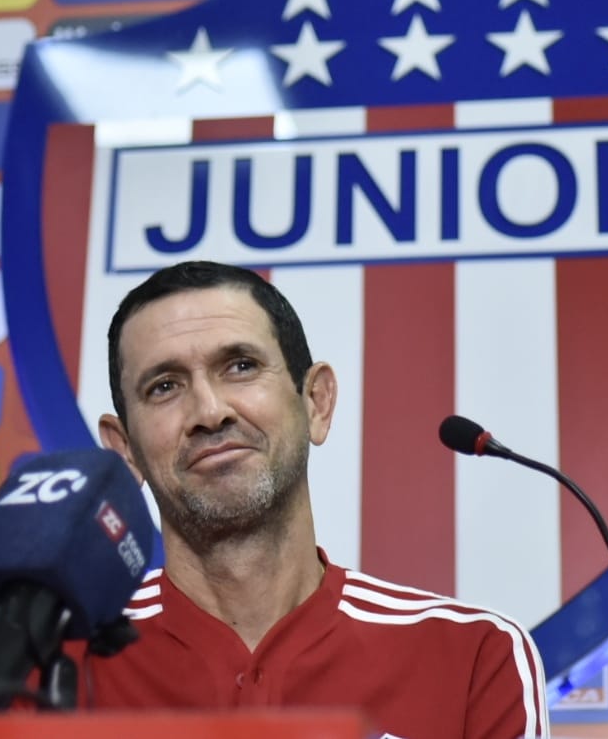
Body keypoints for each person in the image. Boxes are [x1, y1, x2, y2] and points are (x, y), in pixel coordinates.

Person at [85, 260, 550, 738]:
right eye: (164, 386)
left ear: (316, 403)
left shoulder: (472, 655)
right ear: (124, 450)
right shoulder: (52, 667)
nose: (209, 411)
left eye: (241, 366)